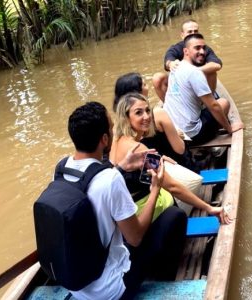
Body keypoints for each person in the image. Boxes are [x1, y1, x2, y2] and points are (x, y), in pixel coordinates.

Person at [65, 101, 187, 300]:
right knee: (175, 216)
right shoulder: (110, 180)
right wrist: (155, 189)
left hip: (76, 284)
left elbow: (92, 185)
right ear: (105, 139)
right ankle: (166, 279)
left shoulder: (63, 169)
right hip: (111, 289)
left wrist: (121, 167)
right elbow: (136, 237)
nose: (114, 131)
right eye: (112, 128)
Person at [110, 92, 233, 224]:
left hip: (126, 212)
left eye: (147, 110)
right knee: (178, 190)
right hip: (140, 211)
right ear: (126, 118)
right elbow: (173, 187)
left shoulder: (116, 139)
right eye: (138, 113)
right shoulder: (139, 148)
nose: (146, 116)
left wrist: (160, 158)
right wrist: (209, 208)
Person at [163, 33, 244, 146]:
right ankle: (213, 132)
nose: (202, 52)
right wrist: (230, 128)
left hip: (172, 131)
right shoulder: (195, 72)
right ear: (186, 51)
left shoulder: (175, 67)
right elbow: (214, 106)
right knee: (223, 103)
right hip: (192, 136)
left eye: (203, 48)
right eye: (197, 48)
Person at [113, 72, 196, 171]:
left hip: (151, 169)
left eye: (147, 111)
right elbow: (180, 149)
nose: (146, 117)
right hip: (169, 169)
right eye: (144, 84)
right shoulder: (158, 115)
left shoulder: (117, 130)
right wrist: (177, 135)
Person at [152, 19, 222, 101]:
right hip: (182, 83)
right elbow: (168, 62)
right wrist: (171, 64)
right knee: (157, 78)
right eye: (189, 32)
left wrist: (193, 72)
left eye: (196, 31)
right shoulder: (176, 48)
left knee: (212, 72)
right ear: (182, 35)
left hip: (199, 80)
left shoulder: (204, 48)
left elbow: (217, 64)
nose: (193, 34)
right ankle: (169, 106)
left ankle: (209, 102)